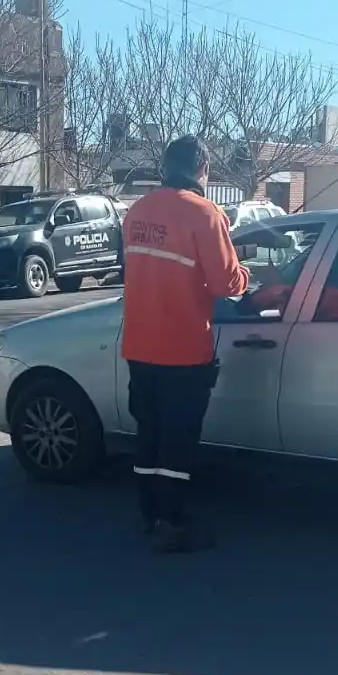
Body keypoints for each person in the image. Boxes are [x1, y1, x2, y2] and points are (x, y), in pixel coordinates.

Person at [121, 135, 249, 552]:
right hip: (183, 348)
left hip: (139, 345)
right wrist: (247, 275)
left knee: (149, 434)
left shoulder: (137, 211)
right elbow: (227, 283)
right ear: (203, 170)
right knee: (178, 439)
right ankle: (174, 523)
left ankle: (147, 514)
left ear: (164, 167)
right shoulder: (204, 213)